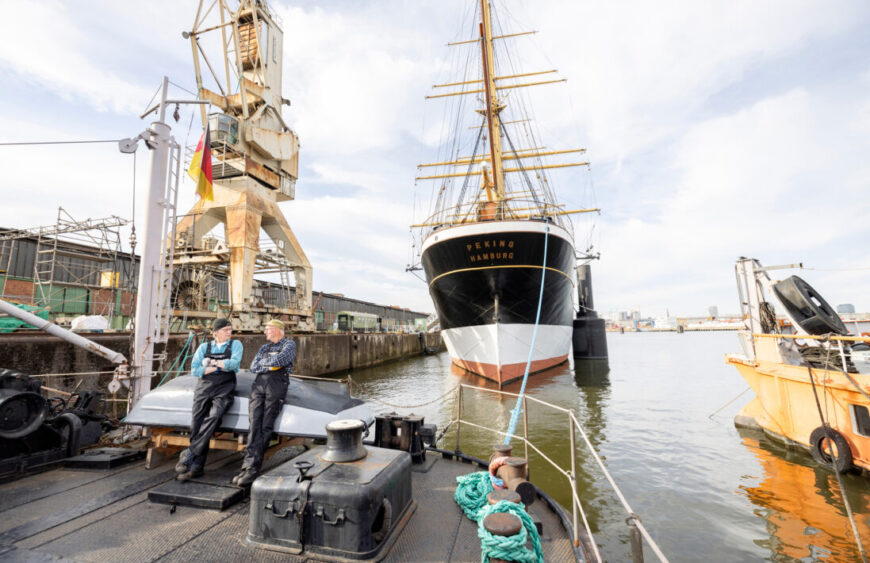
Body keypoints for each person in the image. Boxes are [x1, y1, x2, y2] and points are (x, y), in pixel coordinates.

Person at [175, 318, 243, 482]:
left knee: (214, 416)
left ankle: (190, 453)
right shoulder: (204, 347)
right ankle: (196, 467)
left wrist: (211, 363)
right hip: (204, 388)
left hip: (224, 388)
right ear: (215, 333)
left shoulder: (236, 345)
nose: (229, 332)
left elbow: (234, 364)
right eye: (226, 330)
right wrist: (219, 365)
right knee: (196, 423)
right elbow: (195, 370)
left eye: (230, 329)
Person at [234, 319, 296, 486]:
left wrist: (266, 364)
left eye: (268, 329)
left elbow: (281, 361)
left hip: (276, 386)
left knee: (266, 426)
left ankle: (253, 468)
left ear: (277, 330)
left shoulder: (288, 345)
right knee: (254, 424)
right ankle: (247, 466)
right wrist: (269, 366)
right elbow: (254, 367)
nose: (265, 332)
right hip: (259, 385)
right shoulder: (264, 348)